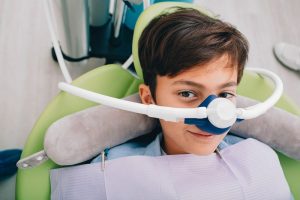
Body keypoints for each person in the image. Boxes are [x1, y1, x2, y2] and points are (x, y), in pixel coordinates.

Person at [91, 7, 292, 198]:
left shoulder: (258, 161)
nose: (213, 115)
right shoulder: (113, 169)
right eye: (187, 93)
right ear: (149, 98)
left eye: (224, 95)